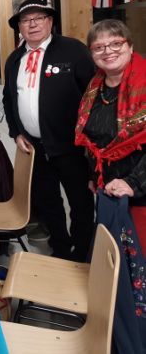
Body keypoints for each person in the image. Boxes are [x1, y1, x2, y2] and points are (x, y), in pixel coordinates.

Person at [3, 0, 95, 261]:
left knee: (80, 203)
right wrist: (16, 132)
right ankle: (60, 248)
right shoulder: (14, 60)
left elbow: (93, 95)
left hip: (71, 147)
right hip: (34, 147)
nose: (32, 24)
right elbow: (9, 99)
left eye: (39, 18)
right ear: (19, 27)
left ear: (50, 21)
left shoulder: (73, 51)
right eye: (25, 20)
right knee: (48, 202)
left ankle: (82, 253)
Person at [74, 20, 146, 352]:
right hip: (109, 193)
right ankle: (115, 332)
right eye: (99, 47)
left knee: (138, 268)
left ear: (130, 45)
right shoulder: (96, 87)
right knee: (116, 267)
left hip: (139, 197)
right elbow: (94, 141)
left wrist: (133, 183)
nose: (108, 51)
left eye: (116, 43)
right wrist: (95, 175)